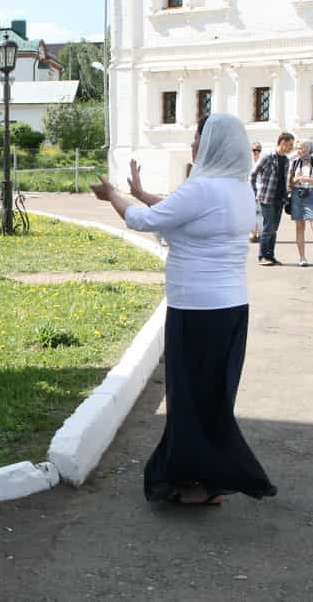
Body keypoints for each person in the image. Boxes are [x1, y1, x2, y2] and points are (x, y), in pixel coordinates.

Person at [91, 113, 276, 505]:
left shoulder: (202, 188)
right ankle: (208, 479)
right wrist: (140, 192)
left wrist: (114, 196)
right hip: (231, 309)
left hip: (196, 309)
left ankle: (194, 483)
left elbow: (144, 221)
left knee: (189, 396)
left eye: (198, 138)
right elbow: (179, 213)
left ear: (212, 145)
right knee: (213, 397)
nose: (194, 145)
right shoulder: (238, 189)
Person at [250, 132, 295, 265]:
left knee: (274, 229)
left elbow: (284, 179)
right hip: (267, 197)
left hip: (280, 199)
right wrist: (255, 192)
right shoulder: (267, 156)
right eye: (289, 145)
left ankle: (271, 256)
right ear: (282, 143)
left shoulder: (286, 160)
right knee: (268, 227)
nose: (291, 148)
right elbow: (253, 174)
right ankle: (262, 256)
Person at [249, 141, 263, 242]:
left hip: (260, 190)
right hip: (249, 190)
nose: (256, 152)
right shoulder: (248, 162)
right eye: (254, 150)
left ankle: (261, 234)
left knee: (260, 213)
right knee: (251, 213)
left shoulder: (262, 163)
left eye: (258, 150)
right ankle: (253, 233)